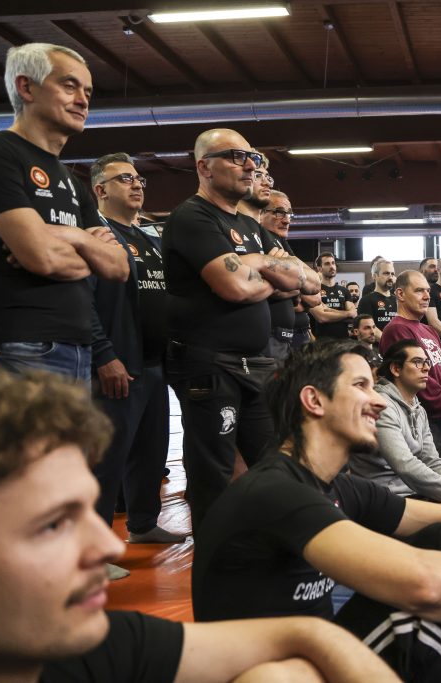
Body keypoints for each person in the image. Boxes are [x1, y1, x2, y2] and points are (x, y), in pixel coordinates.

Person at [0, 361, 400, 683]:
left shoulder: (95, 645)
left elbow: (308, 637)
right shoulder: (276, 489)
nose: (110, 546)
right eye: (52, 525)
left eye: (89, 512)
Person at [192, 340, 441, 681]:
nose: (380, 401)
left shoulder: (340, 487)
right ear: (314, 401)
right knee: (418, 619)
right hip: (272, 671)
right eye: (361, 386)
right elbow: (427, 586)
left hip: (316, 650)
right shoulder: (276, 491)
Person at [162, 128, 308, 531]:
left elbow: (306, 282)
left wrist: (260, 266)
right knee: (214, 474)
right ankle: (215, 559)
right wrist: (274, 273)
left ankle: (266, 548)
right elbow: (236, 287)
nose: (249, 165)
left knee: (273, 463)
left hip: (254, 364)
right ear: (204, 167)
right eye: (235, 156)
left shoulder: (247, 225)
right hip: (210, 365)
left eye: (253, 158)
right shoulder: (193, 216)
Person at [0, 43, 129, 381]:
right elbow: (41, 257)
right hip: (18, 347)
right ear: (26, 88)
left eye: (87, 91)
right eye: (69, 86)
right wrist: (89, 250)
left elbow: (118, 266)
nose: (83, 100)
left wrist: (70, 236)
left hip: (77, 348)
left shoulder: (70, 180)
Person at [88, 153, 182, 554]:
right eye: (125, 179)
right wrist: (104, 355)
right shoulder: (97, 236)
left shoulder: (150, 239)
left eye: (139, 178)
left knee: (150, 453)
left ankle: (143, 525)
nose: (137, 184)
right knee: (107, 459)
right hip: (119, 364)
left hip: (155, 362)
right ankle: (93, 548)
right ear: (101, 189)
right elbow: (85, 304)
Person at [350, 339, 441, 505]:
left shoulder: (419, 408)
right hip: (391, 496)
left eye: (426, 362)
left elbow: (432, 460)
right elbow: (405, 465)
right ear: (396, 369)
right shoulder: (382, 406)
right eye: (417, 362)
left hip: (416, 489)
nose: (426, 368)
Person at [380, 270, 441, 470]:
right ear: (400, 294)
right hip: (424, 421)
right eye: (419, 291)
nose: (427, 296)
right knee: (431, 483)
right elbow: (414, 377)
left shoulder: (428, 329)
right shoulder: (397, 329)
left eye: (428, 291)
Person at [258, 189, 320, 358]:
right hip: (270, 335)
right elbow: (255, 286)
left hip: (291, 334)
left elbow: (315, 293)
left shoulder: (281, 243)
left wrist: (289, 287)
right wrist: (298, 288)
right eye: (279, 212)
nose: (286, 220)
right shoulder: (260, 239)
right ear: (260, 213)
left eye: (289, 214)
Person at [312, 252, 357, 339]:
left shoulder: (344, 291)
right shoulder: (314, 290)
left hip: (343, 340)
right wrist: (347, 313)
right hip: (323, 341)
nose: (332, 266)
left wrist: (329, 310)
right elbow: (322, 317)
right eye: (327, 264)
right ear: (319, 268)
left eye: (333, 263)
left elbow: (353, 315)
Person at [357, 258, 397, 336]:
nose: (390, 277)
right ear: (375, 276)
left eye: (392, 274)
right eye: (386, 273)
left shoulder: (398, 300)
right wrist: (388, 341)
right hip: (378, 343)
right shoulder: (366, 300)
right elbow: (368, 328)